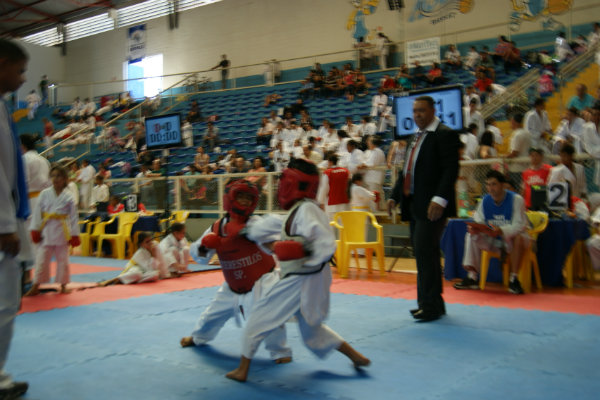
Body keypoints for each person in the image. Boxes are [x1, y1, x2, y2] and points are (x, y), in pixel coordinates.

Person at [225, 158, 370, 382]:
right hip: (310, 278)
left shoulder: (307, 210)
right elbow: (278, 233)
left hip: (300, 279)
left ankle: (242, 370)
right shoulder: (299, 211)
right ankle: (356, 357)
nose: (281, 186)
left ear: (294, 183)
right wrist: (255, 235)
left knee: (259, 318)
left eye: (284, 181)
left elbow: (325, 244)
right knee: (312, 330)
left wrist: (301, 250)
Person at [180, 180, 292, 364]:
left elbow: (270, 243)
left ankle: (280, 351)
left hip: (261, 281)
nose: (246, 201)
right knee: (212, 315)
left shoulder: (255, 223)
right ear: (229, 198)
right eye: (241, 196)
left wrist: (255, 236)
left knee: (268, 315)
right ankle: (198, 337)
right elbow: (199, 257)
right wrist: (204, 247)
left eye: (249, 198)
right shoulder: (216, 228)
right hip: (232, 285)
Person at [387, 96, 460, 322]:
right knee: (423, 254)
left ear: (432, 111)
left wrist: (440, 199)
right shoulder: (415, 137)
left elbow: (450, 169)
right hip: (414, 204)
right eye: (415, 111)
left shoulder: (445, 134)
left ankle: (430, 305)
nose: (417, 115)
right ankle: (430, 304)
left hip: (432, 206)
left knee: (425, 252)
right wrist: (394, 196)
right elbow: (407, 171)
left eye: (421, 110)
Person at [0, 38, 31, 400]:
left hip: (9, 214)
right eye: (20, 70)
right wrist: (5, 226)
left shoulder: (3, 107)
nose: (23, 78)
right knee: (6, 302)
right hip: (2, 222)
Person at [453, 170, 529, 294]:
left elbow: (519, 225)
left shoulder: (516, 199)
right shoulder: (485, 200)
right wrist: (476, 228)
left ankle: (514, 279)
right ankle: (472, 277)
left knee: (519, 237)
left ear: (502, 185)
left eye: (494, 184)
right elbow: (479, 220)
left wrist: (501, 231)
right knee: (471, 234)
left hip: (510, 241)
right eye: (488, 185)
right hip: (493, 239)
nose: (490, 188)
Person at [25, 165, 80, 296]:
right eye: (53, 176)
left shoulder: (69, 196)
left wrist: (74, 235)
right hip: (47, 230)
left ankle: (63, 285)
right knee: (41, 259)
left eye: (58, 176)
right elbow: (37, 213)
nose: (55, 178)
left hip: (62, 231)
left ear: (65, 178)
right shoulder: (44, 193)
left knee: (63, 260)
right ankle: (36, 285)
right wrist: (35, 230)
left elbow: (73, 217)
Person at [99, 232, 170, 286]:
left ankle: (133, 280)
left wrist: (166, 275)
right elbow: (149, 268)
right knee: (137, 274)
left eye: (151, 240)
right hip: (134, 268)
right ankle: (113, 280)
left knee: (155, 275)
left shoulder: (155, 245)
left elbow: (162, 260)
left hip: (145, 271)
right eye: (147, 242)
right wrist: (152, 254)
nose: (150, 243)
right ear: (141, 244)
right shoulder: (139, 254)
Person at [317, 154, 350, 220]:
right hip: (345, 204)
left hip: (332, 204)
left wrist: (320, 202)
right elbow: (349, 186)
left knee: (332, 224)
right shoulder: (346, 171)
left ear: (330, 162)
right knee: (344, 225)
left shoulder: (328, 173)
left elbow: (324, 189)